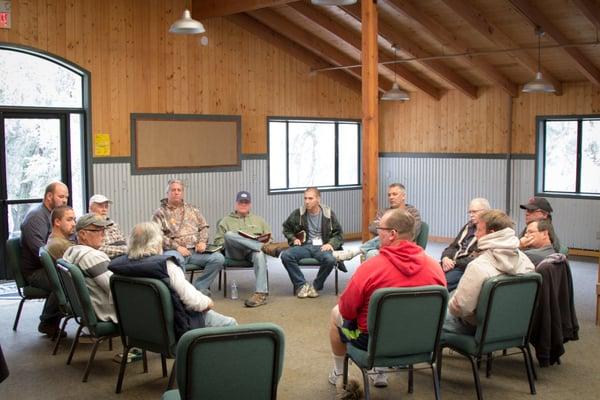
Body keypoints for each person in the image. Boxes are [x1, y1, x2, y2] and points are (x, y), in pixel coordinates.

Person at [327, 208, 446, 387]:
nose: (377, 234)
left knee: (336, 313)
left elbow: (347, 309)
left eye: (379, 230)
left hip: (373, 343)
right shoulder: (435, 267)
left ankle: (339, 372)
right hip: (421, 341)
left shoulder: (370, 268)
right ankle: (378, 372)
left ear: (392, 234)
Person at [109, 222, 237, 335]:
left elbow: (112, 301)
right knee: (230, 324)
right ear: (157, 242)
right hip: (174, 326)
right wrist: (207, 302)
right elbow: (193, 301)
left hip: (137, 329)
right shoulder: (166, 266)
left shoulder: (118, 266)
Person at [444, 210, 535, 335]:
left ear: (491, 234)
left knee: (432, 315)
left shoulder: (478, 266)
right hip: (514, 326)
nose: (475, 234)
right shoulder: (527, 262)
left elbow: (459, 309)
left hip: (479, 328)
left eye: (479, 230)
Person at [152, 179, 224, 296]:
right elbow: (157, 235)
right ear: (167, 193)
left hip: (195, 251)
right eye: (173, 190)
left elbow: (204, 227)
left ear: (183, 193)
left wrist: (202, 242)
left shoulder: (193, 209)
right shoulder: (160, 213)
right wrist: (177, 247)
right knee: (176, 260)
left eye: (179, 190)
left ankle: (198, 288)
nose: (176, 192)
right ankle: (182, 293)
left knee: (218, 258)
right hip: (173, 251)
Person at [214, 191, 285, 308]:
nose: (243, 205)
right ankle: (260, 247)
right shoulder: (225, 221)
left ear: (250, 204)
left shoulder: (259, 220)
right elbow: (218, 242)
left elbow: (269, 238)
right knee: (229, 235)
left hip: (251, 253)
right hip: (234, 253)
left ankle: (260, 294)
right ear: (236, 204)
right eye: (241, 202)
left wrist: (261, 241)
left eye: (246, 202)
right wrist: (235, 241)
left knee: (259, 254)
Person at [20, 181, 69, 337]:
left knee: (70, 274)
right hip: (35, 271)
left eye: (66, 197)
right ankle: (48, 322)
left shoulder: (53, 216)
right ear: (49, 196)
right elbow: (42, 253)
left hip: (50, 266)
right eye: (61, 196)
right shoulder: (36, 217)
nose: (65, 200)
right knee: (67, 280)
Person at [281, 187, 344, 298]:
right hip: (304, 246)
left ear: (318, 199)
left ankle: (315, 286)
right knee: (286, 256)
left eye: (310, 198)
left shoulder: (328, 214)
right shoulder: (298, 213)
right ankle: (301, 285)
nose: (307, 201)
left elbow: (338, 234)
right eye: (305, 198)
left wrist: (330, 244)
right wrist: (293, 239)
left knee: (330, 260)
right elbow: (286, 228)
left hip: (322, 247)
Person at [333, 183, 422, 261]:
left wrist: (385, 227)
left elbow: (413, 231)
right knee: (371, 253)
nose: (391, 197)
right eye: (389, 195)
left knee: (388, 233)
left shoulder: (412, 212)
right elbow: (372, 227)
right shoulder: (383, 211)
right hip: (383, 245)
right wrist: (392, 228)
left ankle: (356, 251)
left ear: (403, 196)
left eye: (395, 194)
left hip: (403, 246)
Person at [62, 213, 117, 323]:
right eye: (98, 231)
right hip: (106, 313)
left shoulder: (71, 251)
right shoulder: (93, 257)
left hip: (88, 311)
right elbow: (115, 288)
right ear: (82, 234)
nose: (103, 235)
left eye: (104, 230)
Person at [440, 198, 491, 291]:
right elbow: (453, 246)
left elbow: (477, 258)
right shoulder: (468, 226)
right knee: (425, 276)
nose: (471, 215)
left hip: (463, 268)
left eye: (474, 212)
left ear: (486, 212)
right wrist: (445, 258)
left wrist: (454, 263)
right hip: (451, 263)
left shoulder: (488, 230)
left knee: (439, 284)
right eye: (470, 212)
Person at [88, 194, 128, 258]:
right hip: (104, 259)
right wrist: (125, 250)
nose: (104, 209)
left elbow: (124, 242)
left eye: (106, 206)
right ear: (90, 208)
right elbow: (97, 249)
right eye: (100, 206)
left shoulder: (113, 224)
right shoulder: (88, 225)